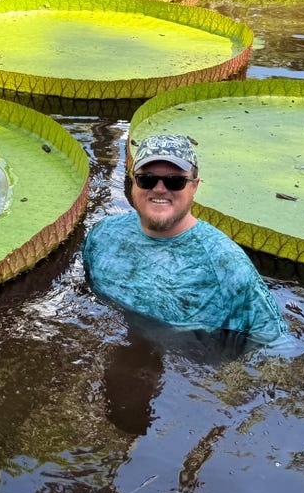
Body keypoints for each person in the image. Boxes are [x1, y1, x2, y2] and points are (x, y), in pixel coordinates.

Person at [83, 133, 289, 348]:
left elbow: (275, 344)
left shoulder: (227, 265)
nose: (159, 189)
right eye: (147, 179)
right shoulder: (103, 235)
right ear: (134, 182)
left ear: (194, 186)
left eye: (175, 181)